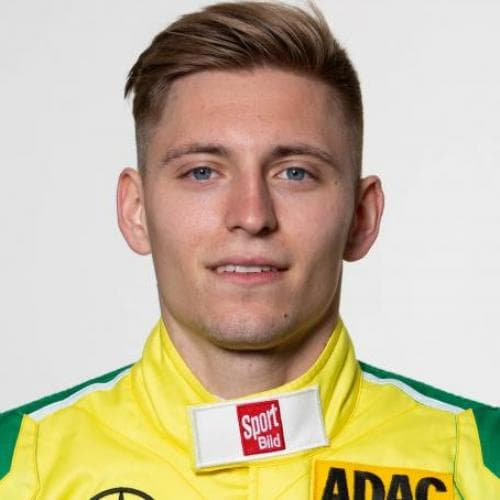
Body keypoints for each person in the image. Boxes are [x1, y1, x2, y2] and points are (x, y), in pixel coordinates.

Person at [0, 1, 498, 498]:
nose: (252, 215)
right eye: (202, 172)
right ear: (136, 211)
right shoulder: (21, 461)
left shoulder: (478, 459)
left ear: (361, 217)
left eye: (295, 173)